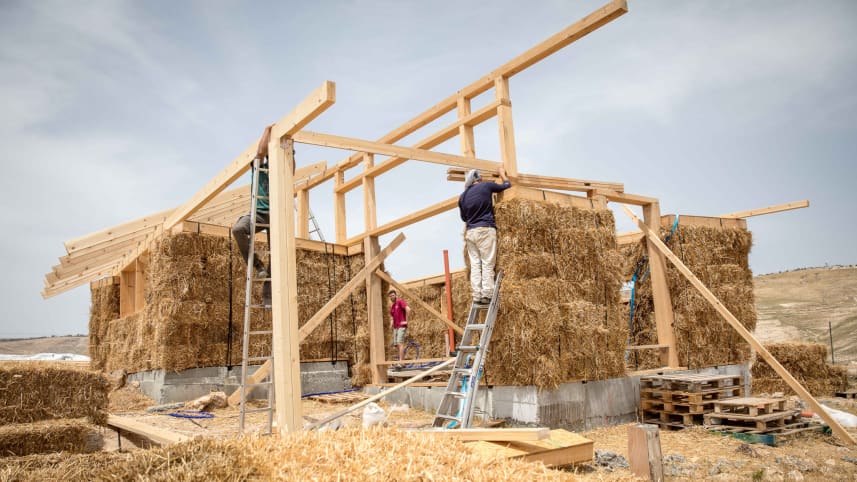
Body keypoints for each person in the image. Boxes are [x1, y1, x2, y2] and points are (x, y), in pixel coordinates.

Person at [458, 166, 511, 305]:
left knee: (475, 265)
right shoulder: (486, 186)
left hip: (470, 233)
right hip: (485, 229)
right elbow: (507, 185)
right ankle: (487, 294)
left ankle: (476, 295)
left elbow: (464, 218)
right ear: (479, 178)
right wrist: (502, 175)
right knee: (487, 262)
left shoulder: (462, 197)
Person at [232, 125, 274, 303]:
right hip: (258, 213)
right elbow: (260, 152)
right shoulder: (259, 169)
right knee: (238, 229)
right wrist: (268, 130)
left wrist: (291, 150)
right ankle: (258, 265)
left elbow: (291, 167)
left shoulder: (281, 172)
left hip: (275, 216)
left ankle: (268, 298)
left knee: (277, 257)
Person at [388, 288, 412, 368]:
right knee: (397, 345)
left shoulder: (400, 301)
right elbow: (392, 318)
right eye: (390, 296)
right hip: (395, 327)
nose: (392, 297)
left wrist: (406, 321)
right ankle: (402, 362)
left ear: (396, 295)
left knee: (400, 343)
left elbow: (408, 309)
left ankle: (401, 362)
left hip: (401, 326)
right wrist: (389, 327)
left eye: (393, 295)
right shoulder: (392, 307)